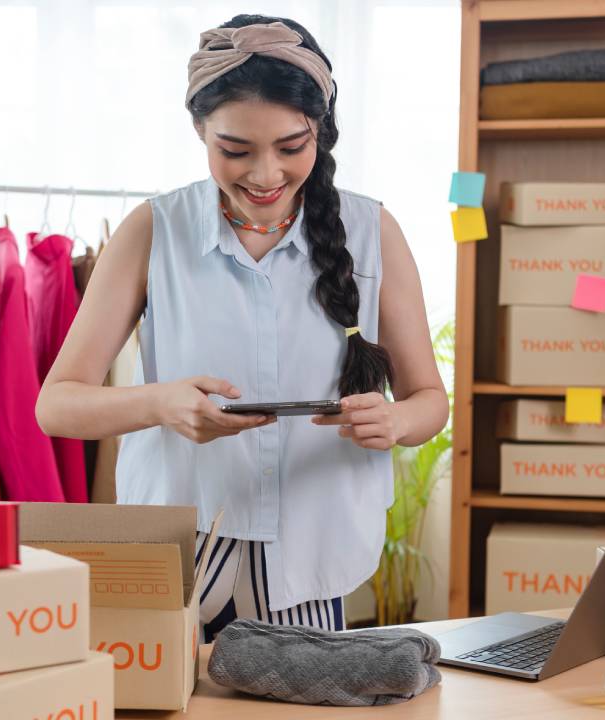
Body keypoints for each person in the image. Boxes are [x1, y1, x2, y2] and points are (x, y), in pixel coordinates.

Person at [36, 14, 447, 641]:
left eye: (291, 148)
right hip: (176, 555)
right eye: (234, 150)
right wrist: (162, 404)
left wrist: (395, 423)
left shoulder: (372, 233)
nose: (264, 176)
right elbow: (56, 406)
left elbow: (430, 403)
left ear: (322, 132)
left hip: (311, 555)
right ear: (199, 128)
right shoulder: (153, 231)